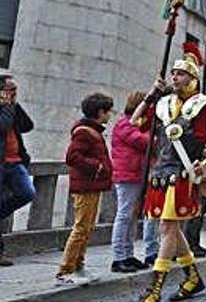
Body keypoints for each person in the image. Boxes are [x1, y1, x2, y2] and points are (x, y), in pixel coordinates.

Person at [132, 42, 206, 302]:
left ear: (193, 77)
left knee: (167, 227)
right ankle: (193, 278)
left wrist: (203, 161)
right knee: (172, 230)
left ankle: (155, 287)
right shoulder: (163, 104)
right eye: (173, 73)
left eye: (181, 73)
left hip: (183, 174)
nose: (174, 77)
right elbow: (136, 123)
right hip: (161, 173)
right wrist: (150, 95)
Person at [55, 93, 115, 286]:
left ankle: (78, 265)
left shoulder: (92, 131)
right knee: (81, 228)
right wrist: (96, 166)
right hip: (85, 185)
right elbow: (72, 157)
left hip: (92, 185)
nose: (110, 114)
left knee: (87, 228)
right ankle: (66, 270)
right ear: (100, 112)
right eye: (108, 111)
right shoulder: (85, 132)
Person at [109, 91, 152, 273]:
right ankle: (118, 256)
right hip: (128, 175)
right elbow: (142, 142)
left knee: (132, 217)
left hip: (137, 175)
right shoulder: (125, 123)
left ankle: (128, 253)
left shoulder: (135, 124)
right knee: (124, 215)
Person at [0, 74, 35, 267]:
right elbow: (3, 126)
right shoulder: (4, 111)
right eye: (11, 90)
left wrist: (14, 104)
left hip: (15, 163)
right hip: (2, 164)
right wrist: (6, 106)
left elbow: (27, 126)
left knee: (27, 193)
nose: (14, 93)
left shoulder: (11, 108)